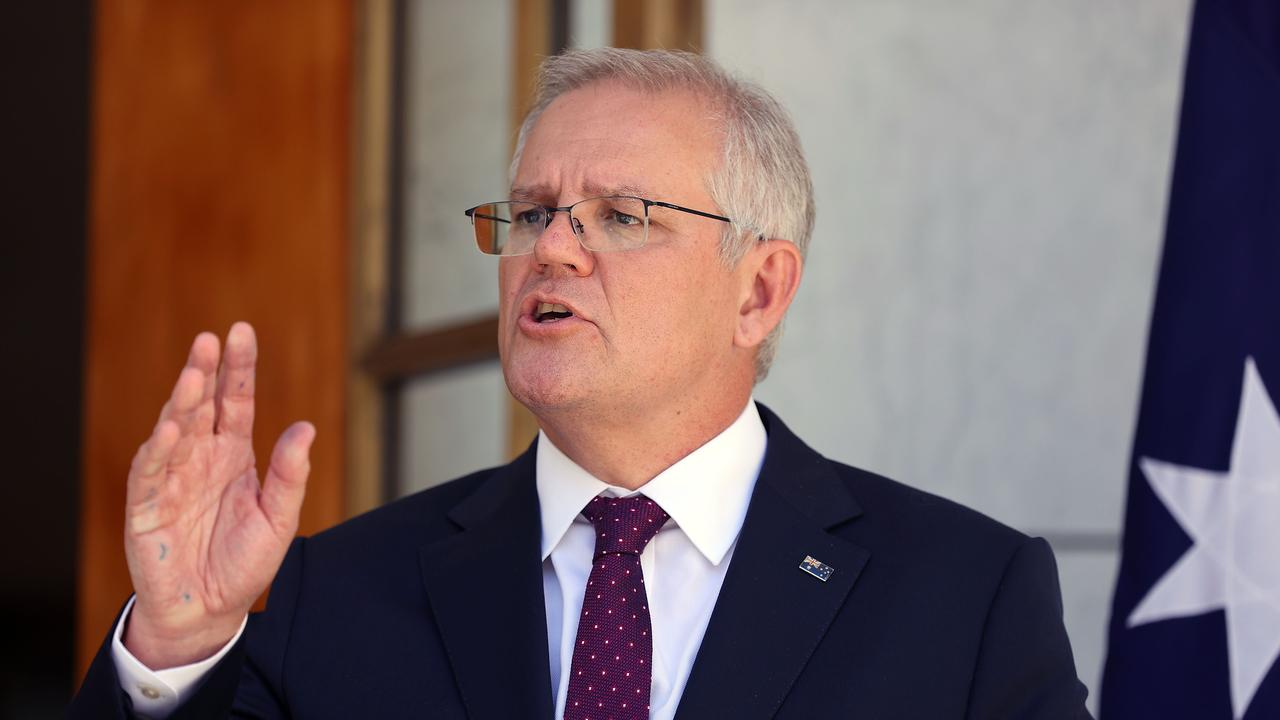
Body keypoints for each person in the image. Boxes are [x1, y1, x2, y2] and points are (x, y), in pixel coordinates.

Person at [72, 48, 1091, 719]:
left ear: (759, 290)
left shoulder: (960, 600)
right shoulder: (327, 597)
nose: (551, 249)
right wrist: (178, 643)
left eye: (620, 215)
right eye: (530, 212)